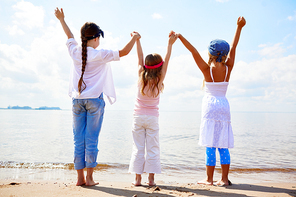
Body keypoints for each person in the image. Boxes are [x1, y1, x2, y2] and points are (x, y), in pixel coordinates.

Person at [54, 7, 140, 186]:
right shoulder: (100, 54)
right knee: (91, 139)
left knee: (78, 140)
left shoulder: (75, 51)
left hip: (77, 101)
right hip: (95, 102)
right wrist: (134, 38)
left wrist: (61, 19)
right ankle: (90, 178)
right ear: (95, 38)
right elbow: (124, 52)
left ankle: (79, 179)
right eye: (98, 37)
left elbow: (69, 36)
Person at [176, 16, 246, 186]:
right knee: (223, 145)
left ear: (210, 53)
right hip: (224, 105)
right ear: (225, 53)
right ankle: (224, 179)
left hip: (209, 106)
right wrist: (239, 27)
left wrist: (180, 36)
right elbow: (235, 45)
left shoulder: (207, 69)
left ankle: (209, 179)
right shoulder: (229, 67)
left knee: (210, 144)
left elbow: (193, 51)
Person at [128, 32, 178, 186]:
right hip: (152, 119)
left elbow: (140, 56)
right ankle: (151, 180)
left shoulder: (140, 75)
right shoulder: (159, 79)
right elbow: (167, 59)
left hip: (138, 118)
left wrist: (137, 40)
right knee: (153, 149)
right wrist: (170, 44)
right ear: (160, 66)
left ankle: (137, 179)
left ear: (146, 66)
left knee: (138, 148)